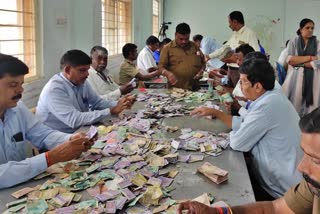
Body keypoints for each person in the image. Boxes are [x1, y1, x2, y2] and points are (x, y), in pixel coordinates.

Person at [191, 58, 302, 199]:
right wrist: (215, 113)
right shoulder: (272, 97)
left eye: (243, 81)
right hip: (285, 178)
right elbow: (246, 123)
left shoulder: (266, 106)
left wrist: (227, 134)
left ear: (257, 86)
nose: (241, 86)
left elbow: (238, 143)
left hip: (281, 189)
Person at [179, 106, 320, 214]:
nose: (301, 167)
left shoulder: (267, 108)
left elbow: (238, 142)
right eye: (305, 154)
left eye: (316, 161)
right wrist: (217, 212)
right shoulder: (313, 185)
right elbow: (274, 209)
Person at [0, 54, 94, 189]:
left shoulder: (17, 107)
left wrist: (71, 139)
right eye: (13, 85)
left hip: (22, 186)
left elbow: (42, 134)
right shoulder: (54, 88)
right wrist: (49, 158)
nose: (20, 90)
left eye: (21, 84)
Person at [36, 49, 134, 133]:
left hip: (80, 130)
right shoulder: (54, 89)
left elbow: (97, 102)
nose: (87, 74)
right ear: (67, 70)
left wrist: (120, 103)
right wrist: (111, 110)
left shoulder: (81, 82)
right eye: (82, 70)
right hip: (59, 139)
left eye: (87, 70)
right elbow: (75, 120)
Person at [282, 18, 320, 116]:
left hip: (313, 80)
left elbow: (318, 62)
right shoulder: (293, 42)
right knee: (294, 107)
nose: (310, 30)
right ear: (301, 29)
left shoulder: (318, 43)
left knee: (311, 111)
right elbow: (290, 60)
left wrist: (299, 62)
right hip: (294, 79)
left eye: (312, 28)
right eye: (307, 28)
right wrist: (311, 57)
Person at [158, 22, 206, 90]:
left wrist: (201, 71)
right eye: (181, 39)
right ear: (175, 35)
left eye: (186, 39)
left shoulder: (194, 46)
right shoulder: (167, 48)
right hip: (176, 90)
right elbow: (160, 67)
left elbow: (203, 61)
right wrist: (168, 74)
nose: (184, 41)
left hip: (194, 88)